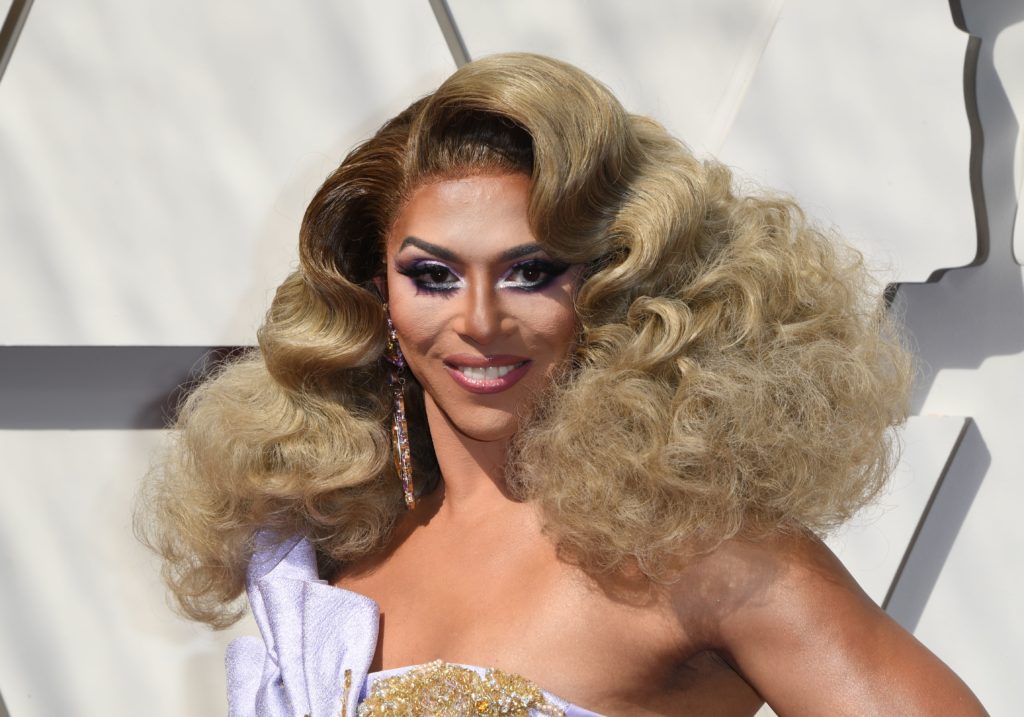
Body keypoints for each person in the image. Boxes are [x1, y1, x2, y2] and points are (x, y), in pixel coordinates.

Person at [137, 53, 987, 716]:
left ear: (613, 285)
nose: (478, 319)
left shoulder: (702, 557)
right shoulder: (340, 566)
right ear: (376, 294)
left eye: (531, 271)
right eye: (432, 275)